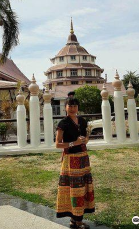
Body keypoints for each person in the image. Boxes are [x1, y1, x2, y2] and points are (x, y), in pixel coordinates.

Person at [56, 96, 95, 229]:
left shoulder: (82, 121)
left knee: (83, 188)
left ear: (78, 108)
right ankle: (77, 221)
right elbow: (57, 144)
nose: (72, 108)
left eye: (75, 106)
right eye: (70, 106)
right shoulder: (63, 123)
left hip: (83, 157)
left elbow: (86, 137)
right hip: (71, 159)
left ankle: (75, 219)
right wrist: (75, 143)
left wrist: (85, 140)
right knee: (74, 189)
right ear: (65, 108)